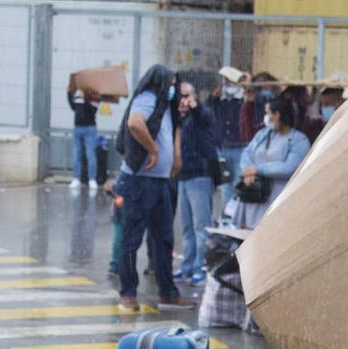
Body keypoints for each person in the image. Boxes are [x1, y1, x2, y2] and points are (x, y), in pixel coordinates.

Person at [104, 64, 194, 311]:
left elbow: (174, 127)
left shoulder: (167, 105)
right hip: (138, 181)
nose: (174, 87)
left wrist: (175, 154)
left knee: (163, 239)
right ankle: (128, 293)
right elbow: (135, 123)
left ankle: (168, 293)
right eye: (171, 82)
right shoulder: (148, 98)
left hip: (160, 181)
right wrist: (153, 149)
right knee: (132, 239)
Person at [234, 96, 310, 229]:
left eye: (267, 113)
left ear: (277, 115)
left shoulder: (298, 140)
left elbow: (290, 167)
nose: (265, 117)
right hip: (253, 198)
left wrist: (258, 170)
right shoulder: (263, 134)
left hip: (277, 200)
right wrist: (248, 171)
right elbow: (247, 152)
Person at [174, 81, 218, 287]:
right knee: (187, 227)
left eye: (187, 96)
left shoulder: (200, 115)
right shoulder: (178, 119)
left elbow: (205, 117)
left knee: (202, 227)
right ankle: (187, 266)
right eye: (180, 96)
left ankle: (202, 267)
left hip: (200, 176)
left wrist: (195, 107)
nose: (183, 101)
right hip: (183, 177)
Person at [210, 69, 248, 223]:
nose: (230, 85)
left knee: (238, 184)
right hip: (223, 148)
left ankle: (237, 219)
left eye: (233, 82)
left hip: (241, 147)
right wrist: (214, 97)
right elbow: (208, 113)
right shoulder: (220, 102)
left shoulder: (244, 102)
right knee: (226, 186)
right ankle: (226, 218)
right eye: (227, 82)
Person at [67, 80, 100, 191]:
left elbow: (93, 110)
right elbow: (73, 107)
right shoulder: (77, 94)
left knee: (90, 154)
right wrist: (69, 94)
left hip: (90, 128)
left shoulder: (95, 95)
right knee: (76, 154)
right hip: (77, 127)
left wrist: (85, 98)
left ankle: (92, 179)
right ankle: (76, 178)